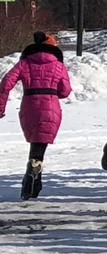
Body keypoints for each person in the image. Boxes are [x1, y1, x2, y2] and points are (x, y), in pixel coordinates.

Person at [0, 31, 71, 200]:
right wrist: (53, 92)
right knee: (40, 145)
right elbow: (65, 90)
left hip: (29, 105)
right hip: (51, 105)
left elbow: (6, 83)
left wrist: (0, 107)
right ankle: (34, 175)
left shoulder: (24, 63)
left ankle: (31, 185)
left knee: (36, 143)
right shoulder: (58, 65)